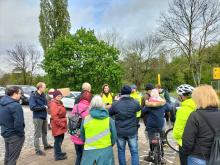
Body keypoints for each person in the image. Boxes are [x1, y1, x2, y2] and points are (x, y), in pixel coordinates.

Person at [182, 85, 220, 165]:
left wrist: (186, 153)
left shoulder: (195, 116)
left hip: (198, 157)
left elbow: (187, 142)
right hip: (217, 157)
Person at [80, 95, 117, 165]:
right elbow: (114, 137)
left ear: (91, 105)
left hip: (89, 152)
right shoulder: (109, 120)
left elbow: (82, 136)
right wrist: (109, 145)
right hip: (106, 150)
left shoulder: (85, 119)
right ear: (103, 104)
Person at [109, 85, 141, 165]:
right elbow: (139, 109)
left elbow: (110, 113)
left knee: (121, 151)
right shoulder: (135, 103)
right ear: (130, 92)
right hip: (132, 131)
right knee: (134, 152)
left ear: (121, 93)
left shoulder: (116, 104)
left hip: (120, 131)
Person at [142, 88, 170, 162]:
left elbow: (143, 111)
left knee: (151, 139)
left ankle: (151, 155)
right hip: (160, 124)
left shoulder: (149, 104)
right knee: (160, 139)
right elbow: (169, 108)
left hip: (151, 125)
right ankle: (161, 154)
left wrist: (147, 103)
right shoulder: (162, 103)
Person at [0, 86, 25, 165]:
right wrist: (21, 135)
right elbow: (19, 124)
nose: (20, 95)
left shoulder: (1, 103)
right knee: (12, 159)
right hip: (14, 136)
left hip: (5, 133)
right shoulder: (15, 106)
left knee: (8, 156)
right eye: (20, 93)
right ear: (15, 94)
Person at [173, 84, 196, 165]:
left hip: (185, 144)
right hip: (198, 144)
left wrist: (177, 139)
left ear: (182, 96)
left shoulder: (182, 110)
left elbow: (177, 132)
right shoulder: (198, 107)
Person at [29, 82, 53, 156]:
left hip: (44, 116)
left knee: (44, 132)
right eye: (44, 87)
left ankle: (46, 145)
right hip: (37, 117)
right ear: (40, 87)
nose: (45, 88)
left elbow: (47, 103)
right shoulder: (33, 96)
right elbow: (32, 107)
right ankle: (37, 150)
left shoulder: (43, 95)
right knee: (37, 134)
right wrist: (43, 107)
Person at [70, 90, 92, 165]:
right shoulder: (90, 109)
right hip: (84, 137)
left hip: (75, 134)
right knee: (85, 158)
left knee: (78, 155)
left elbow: (72, 118)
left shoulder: (75, 106)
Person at [49, 90, 67, 161]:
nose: (59, 97)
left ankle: (59, 152)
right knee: (57, 140)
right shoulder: (53, 103)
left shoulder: (58, 102)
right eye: (58, 96)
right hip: (57, 124)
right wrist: (61, 124)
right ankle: (57, 156)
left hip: (61, 123)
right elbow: (54, 116)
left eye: (60, 96)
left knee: (61, 138)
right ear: (54, 96)